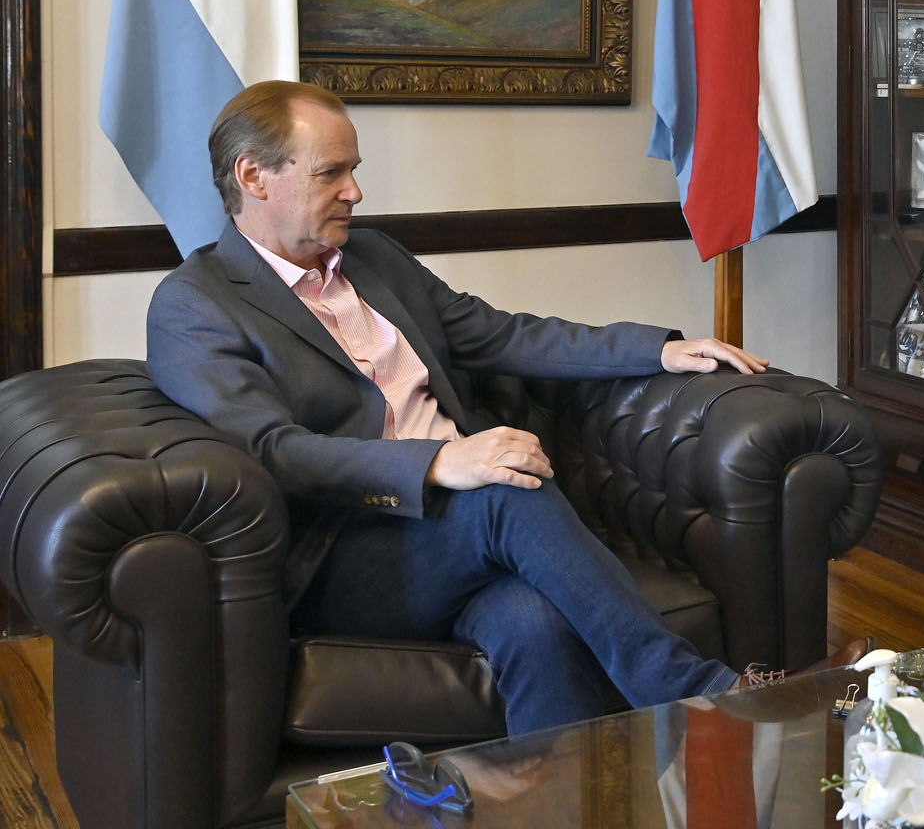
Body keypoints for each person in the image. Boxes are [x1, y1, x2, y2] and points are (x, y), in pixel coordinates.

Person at [145, 80, 779, 735]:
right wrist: (439, 463)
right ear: (254, 177)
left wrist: (657, 350)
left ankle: (563, 787)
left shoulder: (373, 257)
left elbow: (500, 334)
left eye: (353, 170)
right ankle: (699, 692)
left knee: (534, 622)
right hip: (345, 553)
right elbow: (271, 451)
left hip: (457, 534)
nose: (355, 191)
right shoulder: (196, 305)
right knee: (505, 485)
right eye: (331, 173)